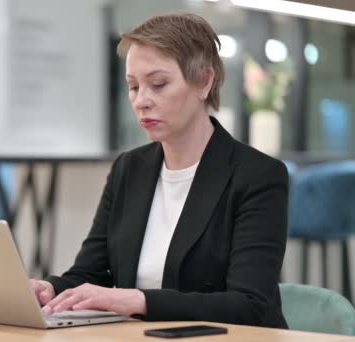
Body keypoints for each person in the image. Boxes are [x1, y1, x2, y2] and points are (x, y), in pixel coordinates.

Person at [30, 13, 288, 328]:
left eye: (158, 84)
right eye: (133, 86)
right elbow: (90, 273)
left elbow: (249, 306)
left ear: (204, 82)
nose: (141, 101)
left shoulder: (257, 176)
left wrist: (138, 299)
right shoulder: (129, 168)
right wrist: (53, 289)